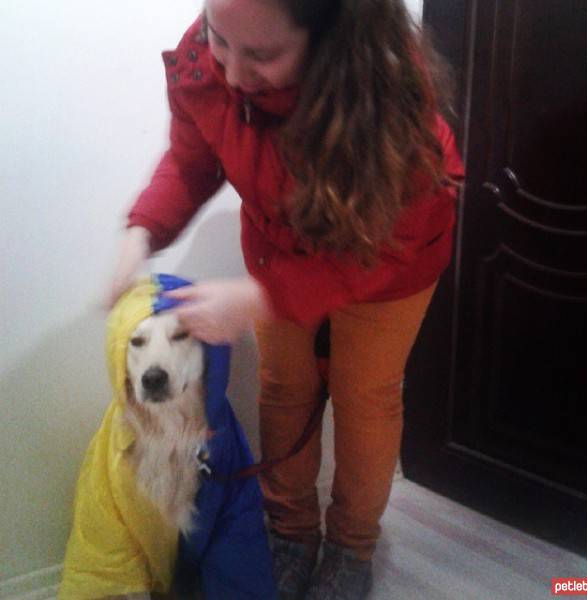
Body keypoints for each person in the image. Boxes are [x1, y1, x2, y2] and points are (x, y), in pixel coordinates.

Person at [106, 0, 464, 598]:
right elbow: (192, 159)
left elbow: (389, 237)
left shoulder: (391, 95)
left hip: (388, 259)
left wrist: (262, 298)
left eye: (262, 55)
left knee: (366, 398)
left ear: (330, 40)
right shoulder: (212, 55)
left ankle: (351, 549)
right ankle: (291, 534)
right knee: (283, 386)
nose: (233, 72)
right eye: (220, 40)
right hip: (277, 250)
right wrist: (142, 227)